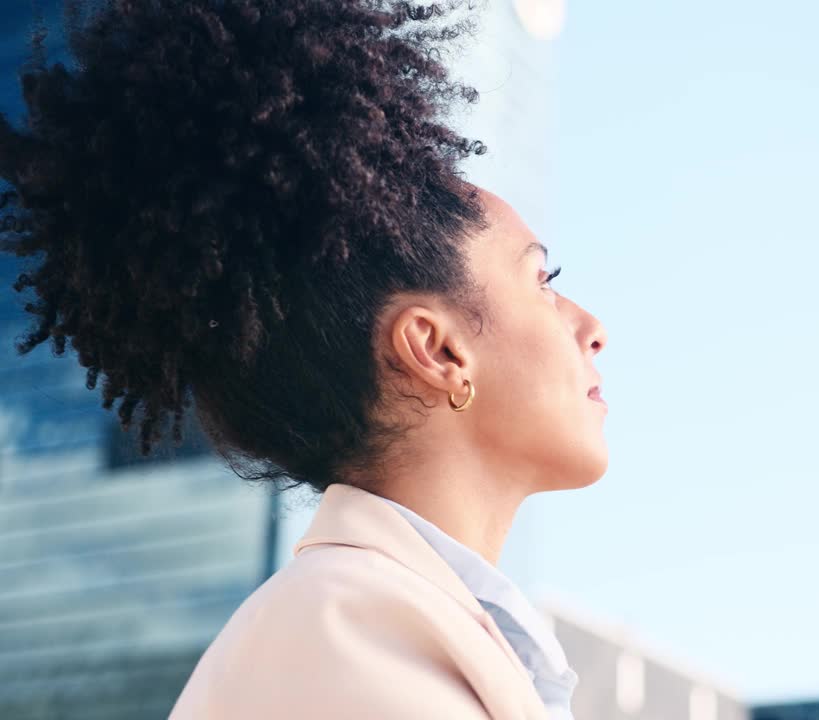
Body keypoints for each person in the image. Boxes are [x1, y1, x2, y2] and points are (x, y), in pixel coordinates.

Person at [0, 1, 608, 718]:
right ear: (437, 350)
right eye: (543, 282)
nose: (592, 328)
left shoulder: (385, 628)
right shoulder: (340, 640)